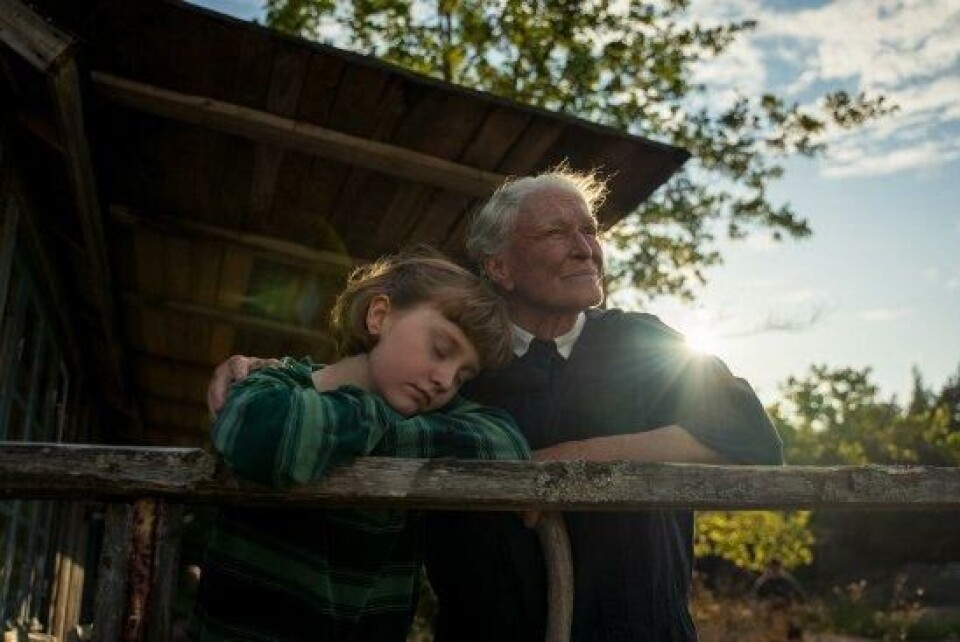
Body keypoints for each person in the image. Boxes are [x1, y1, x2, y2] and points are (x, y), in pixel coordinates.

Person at [207, 169, 784, 641]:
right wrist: (276, 375)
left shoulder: (644, 341)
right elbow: (355, 386)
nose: (586, 249)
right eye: (558, 233)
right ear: (498, 265)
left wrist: (575, 461)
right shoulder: (462, 372)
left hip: (646, 631)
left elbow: (753, 438)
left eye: (591, 231)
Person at [194, 248, 530, 641]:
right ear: (379, 315)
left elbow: (508, 447)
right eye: (441, 349)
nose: (445, 380)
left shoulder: (419, 418)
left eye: (462, 377)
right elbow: (266, 436)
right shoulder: (274, 383)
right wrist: (374, 423)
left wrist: (355, 434)